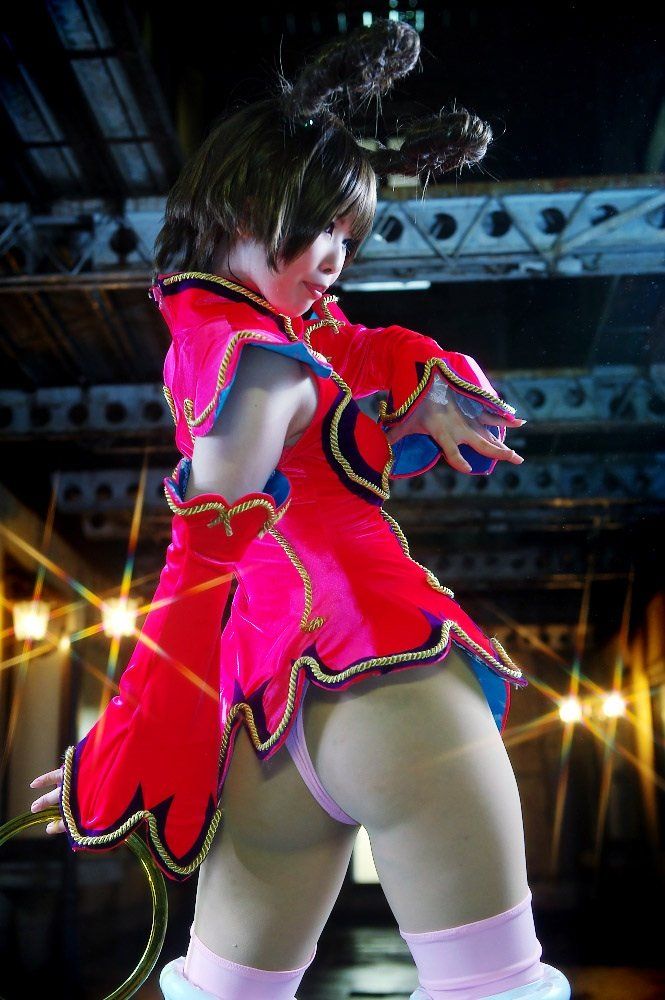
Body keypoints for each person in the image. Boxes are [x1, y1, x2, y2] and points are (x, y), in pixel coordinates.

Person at [29, 19, 571, 1000]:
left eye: (344, 238)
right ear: (241, 203)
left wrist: (417, 377)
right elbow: (202, 561)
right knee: (492, 989)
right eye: (316, 228)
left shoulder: (232, 332)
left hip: (271, 724)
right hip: (390, 684)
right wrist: (125, 737)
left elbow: (348, 342)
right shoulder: (261, 364)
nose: (331, 257)